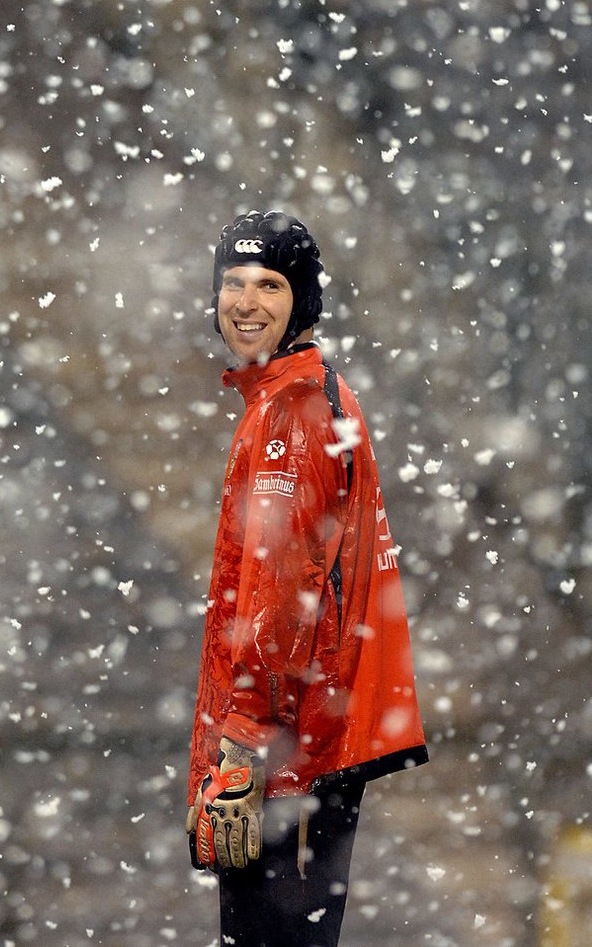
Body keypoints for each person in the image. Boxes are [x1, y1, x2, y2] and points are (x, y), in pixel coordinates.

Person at [186, 209, 427, 947]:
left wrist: (243, 743)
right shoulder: (302, 395)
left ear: (303, 302)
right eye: (234, 282)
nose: (246, 302)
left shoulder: (292, 412)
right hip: (312, 739)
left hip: (292, 749)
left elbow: (282, 595)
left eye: (270, 284)